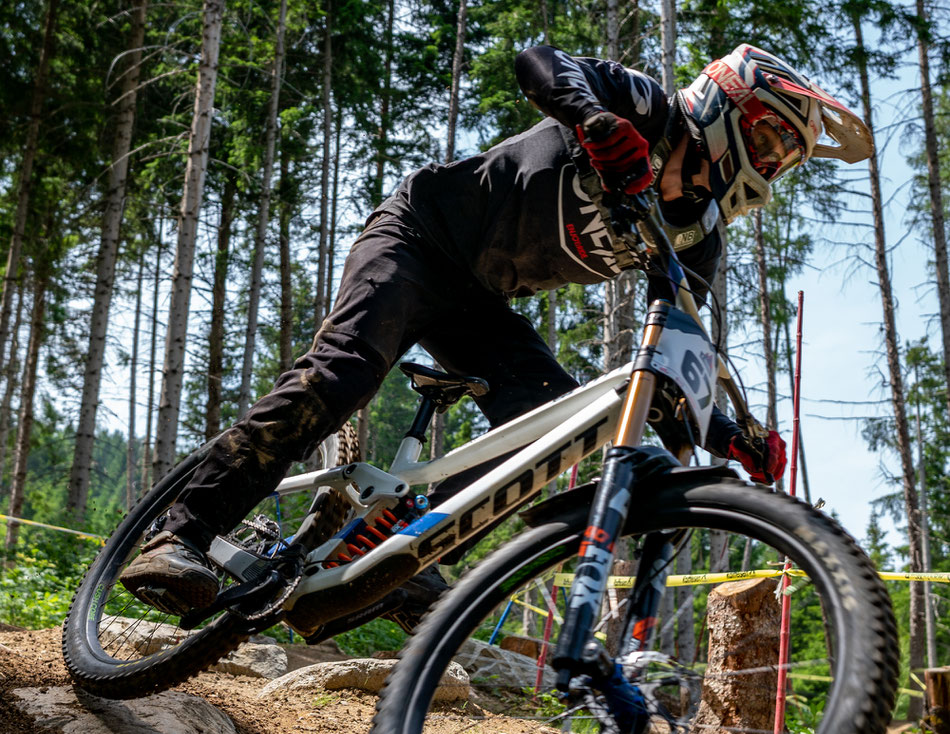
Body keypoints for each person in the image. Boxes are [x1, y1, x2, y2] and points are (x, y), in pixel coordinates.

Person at [121, 43, 873, 630]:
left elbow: (680, 348)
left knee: (543, 430)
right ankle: (182, 531)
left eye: (786, 160)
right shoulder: (648, 108)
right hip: (417, 238)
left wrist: (729, 434)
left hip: (477, 299)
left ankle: (391, 551)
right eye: (771, 140)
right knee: (344, 372)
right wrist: (596, 121)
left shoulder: (698, 236)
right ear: (726, 104)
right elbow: (540, 63)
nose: (771, 166)